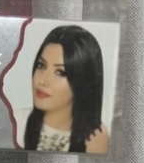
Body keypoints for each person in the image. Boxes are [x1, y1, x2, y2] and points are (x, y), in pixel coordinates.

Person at [22, 25, 108, 154]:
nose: (42, 81)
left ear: (83, 80)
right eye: (41, 66)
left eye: (60, 72)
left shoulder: (95, 136)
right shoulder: (16, 122)